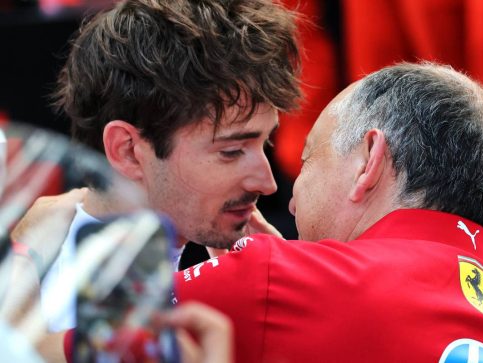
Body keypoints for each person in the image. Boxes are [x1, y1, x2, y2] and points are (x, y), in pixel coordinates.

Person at [171, 62, 483, 362]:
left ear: (369, 160)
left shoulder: (278, 279)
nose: (290, 201)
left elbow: (119, 312)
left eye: (307, 160)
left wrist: (274, 277)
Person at [38, 0, 300, 332]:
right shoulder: (49, 306)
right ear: (129, 150)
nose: (267, 183)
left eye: (265, 143)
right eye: (231, 151)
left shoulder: (219, 257)